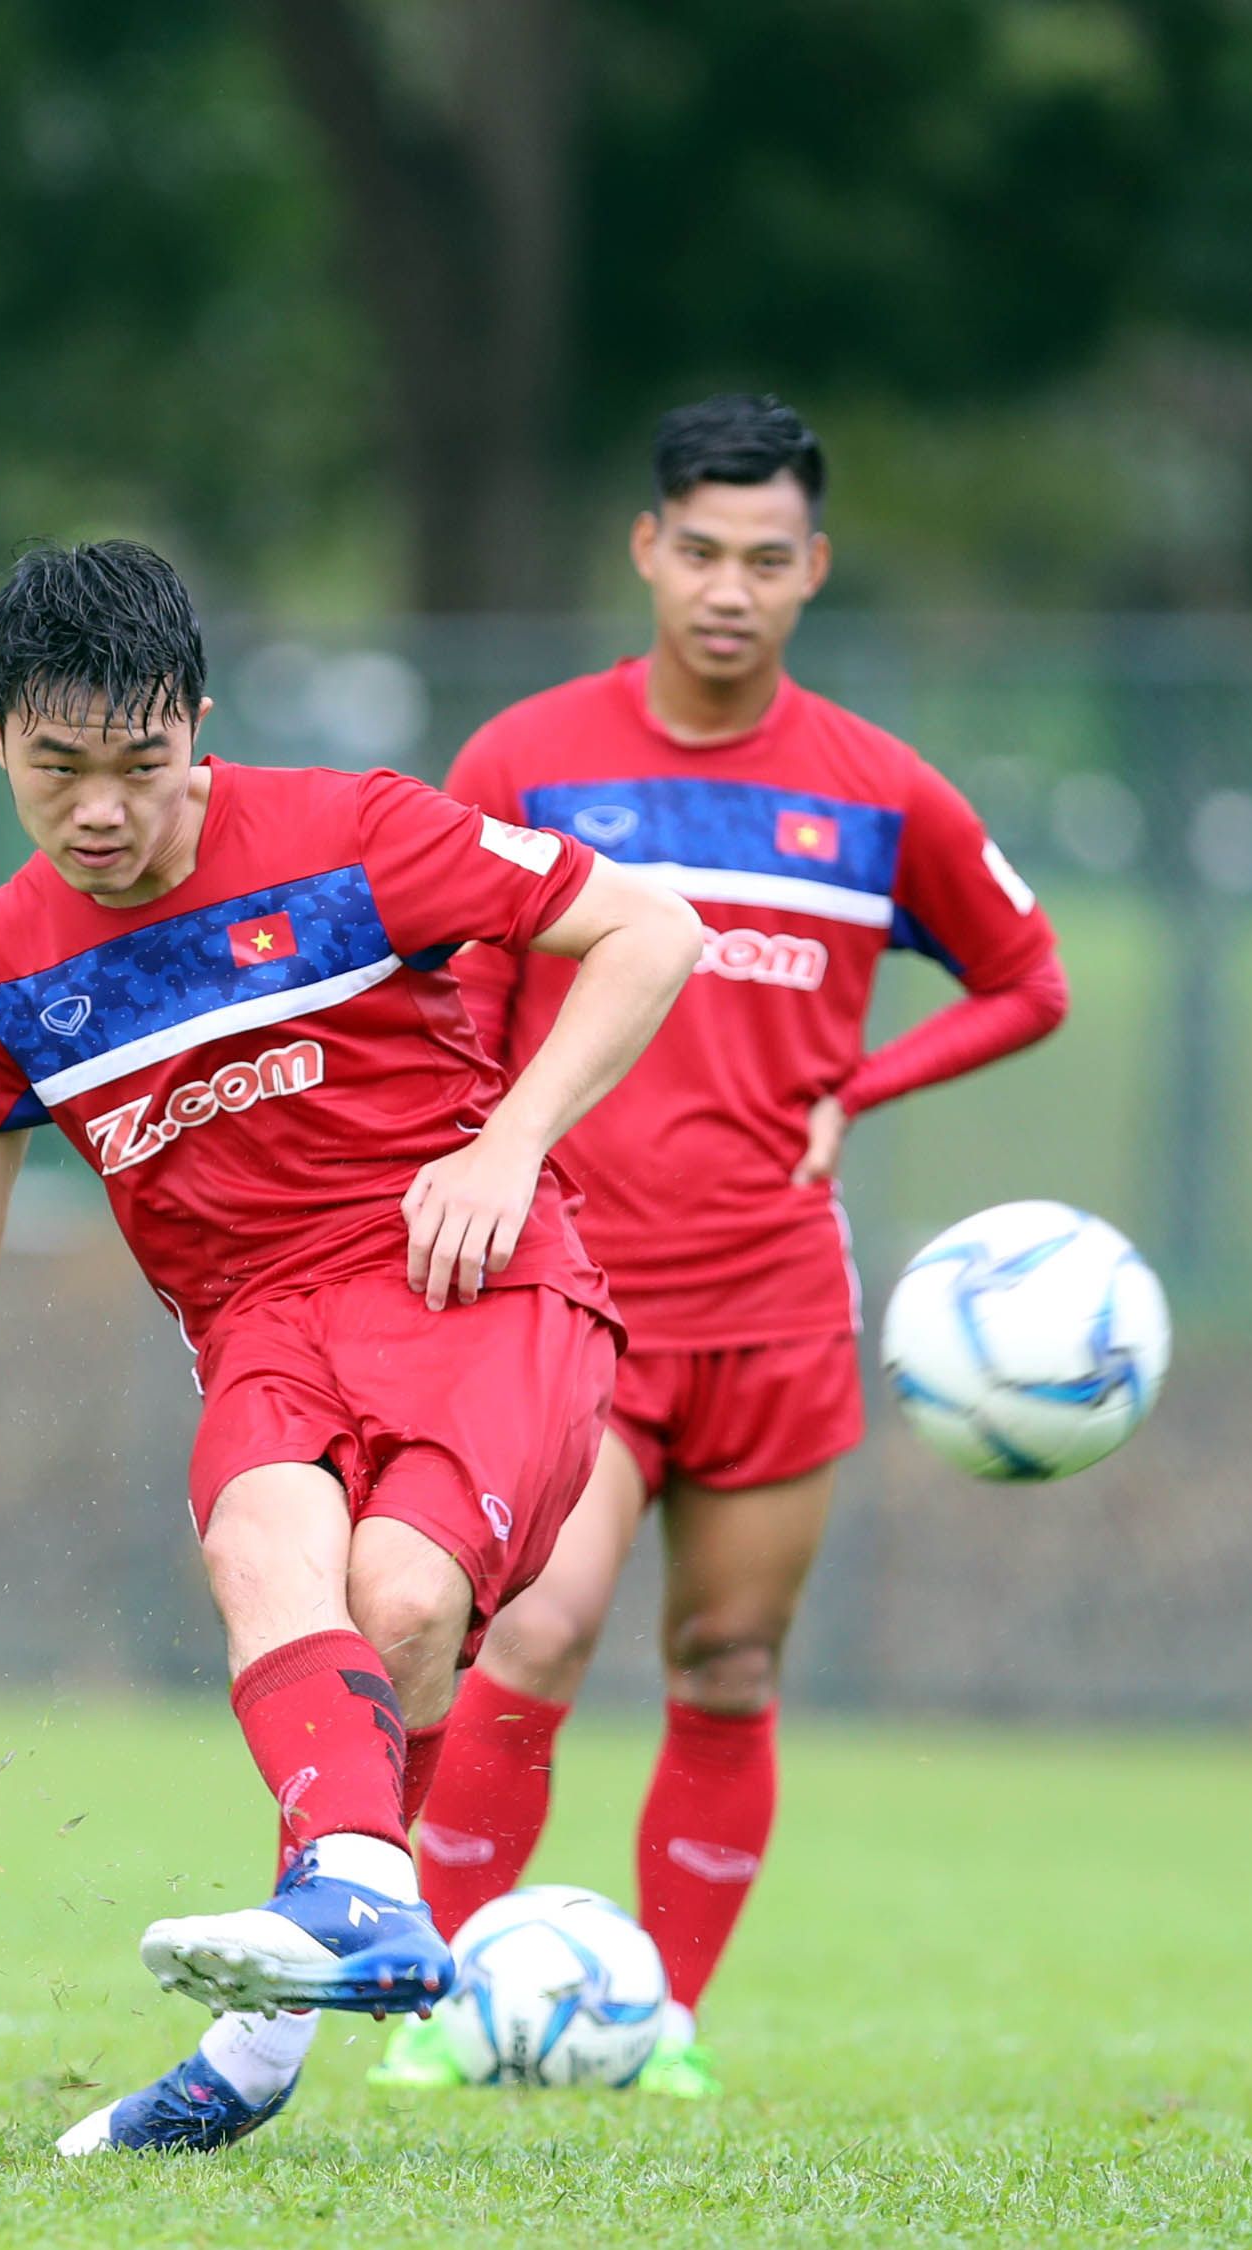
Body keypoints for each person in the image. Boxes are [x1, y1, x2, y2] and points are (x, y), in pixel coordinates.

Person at [0, 540, 701, 2155]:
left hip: (472, 1282)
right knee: (266, 1551)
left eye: (140, 765)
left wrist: (510, 1143)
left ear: (199, 728)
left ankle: (265, 2026)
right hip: (256, 1328)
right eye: (58, 768)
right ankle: (339, 1935)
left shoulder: (355, 832)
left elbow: (648, 928)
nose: (100, 810)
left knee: (399, 1604)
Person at [370, 396, 1067, 2099]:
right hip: (570, 1299)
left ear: (813, 567)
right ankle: (430, 2007)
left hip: (774, 1304)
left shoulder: (874, 788)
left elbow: (1027, 979)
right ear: (646, 550)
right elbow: (447, 993)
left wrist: (857, 1086)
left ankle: (660, 2021)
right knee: (532, 1633)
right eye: (699, 552)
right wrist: (475, 1155)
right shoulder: (527, 758)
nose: (729, 588)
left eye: (765, 558)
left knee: (729, 1663)